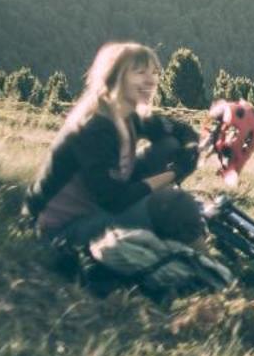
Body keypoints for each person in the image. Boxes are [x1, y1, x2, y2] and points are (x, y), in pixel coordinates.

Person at [27, 42, 204, 250]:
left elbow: (180, 130)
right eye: (140, 73)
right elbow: (114, 200)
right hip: (61, 232)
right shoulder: (95, 128)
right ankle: (210, 268)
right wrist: (175, 172)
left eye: (154, 73)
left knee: (170, 147)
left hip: (100, 208)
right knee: (177, 205)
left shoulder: (129, 116)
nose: (151, 80)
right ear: (115, 77)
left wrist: (191, 147)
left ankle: (172, 224)